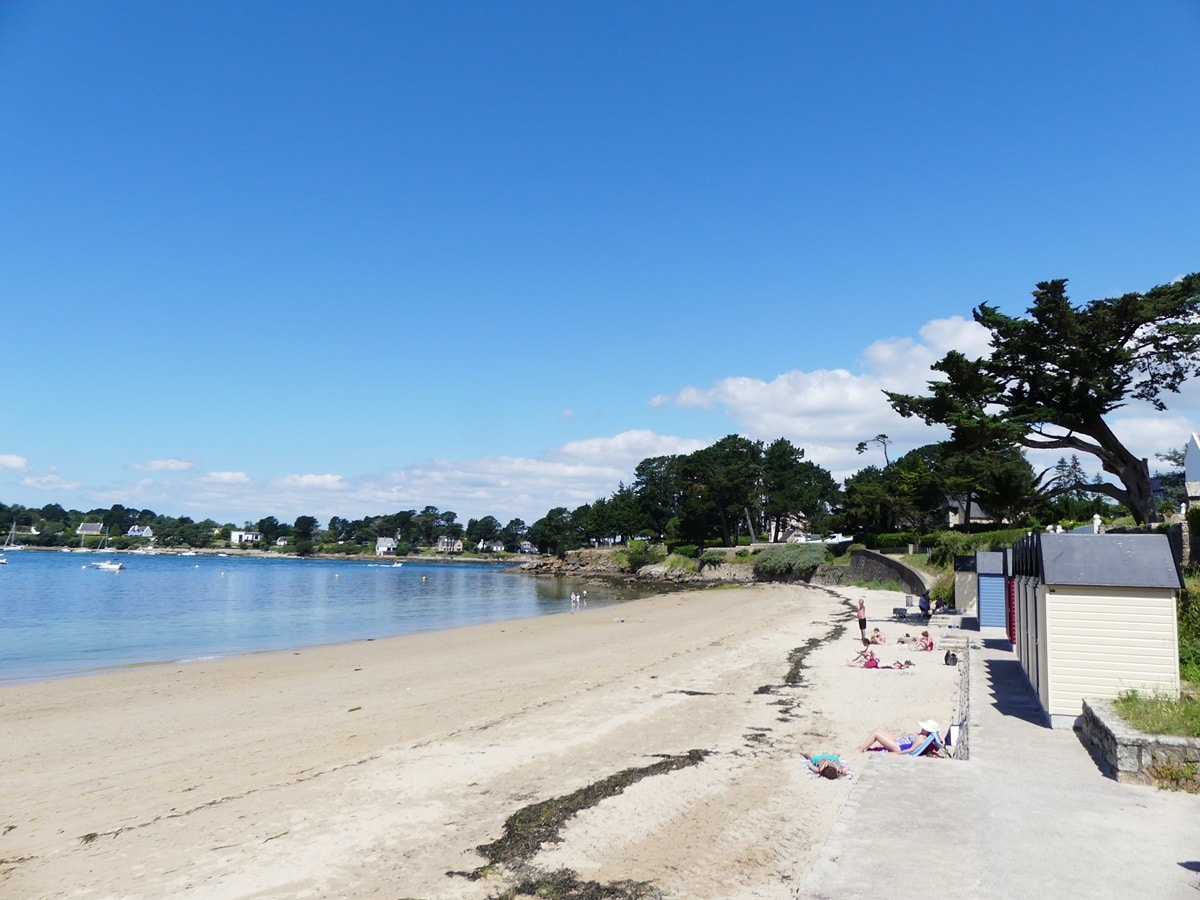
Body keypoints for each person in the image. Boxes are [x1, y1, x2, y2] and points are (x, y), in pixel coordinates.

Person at [860, 720, 941, 754]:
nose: (923, 728)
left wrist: (896, 753)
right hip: (898, 742)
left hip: (898, 747)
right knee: (877, 730)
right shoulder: (923, 735)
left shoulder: (921, 738)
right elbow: (939, 741)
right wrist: (938, 733)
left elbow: (911, 750)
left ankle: (860, 750)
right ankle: (862, 748)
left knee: (876, 734)